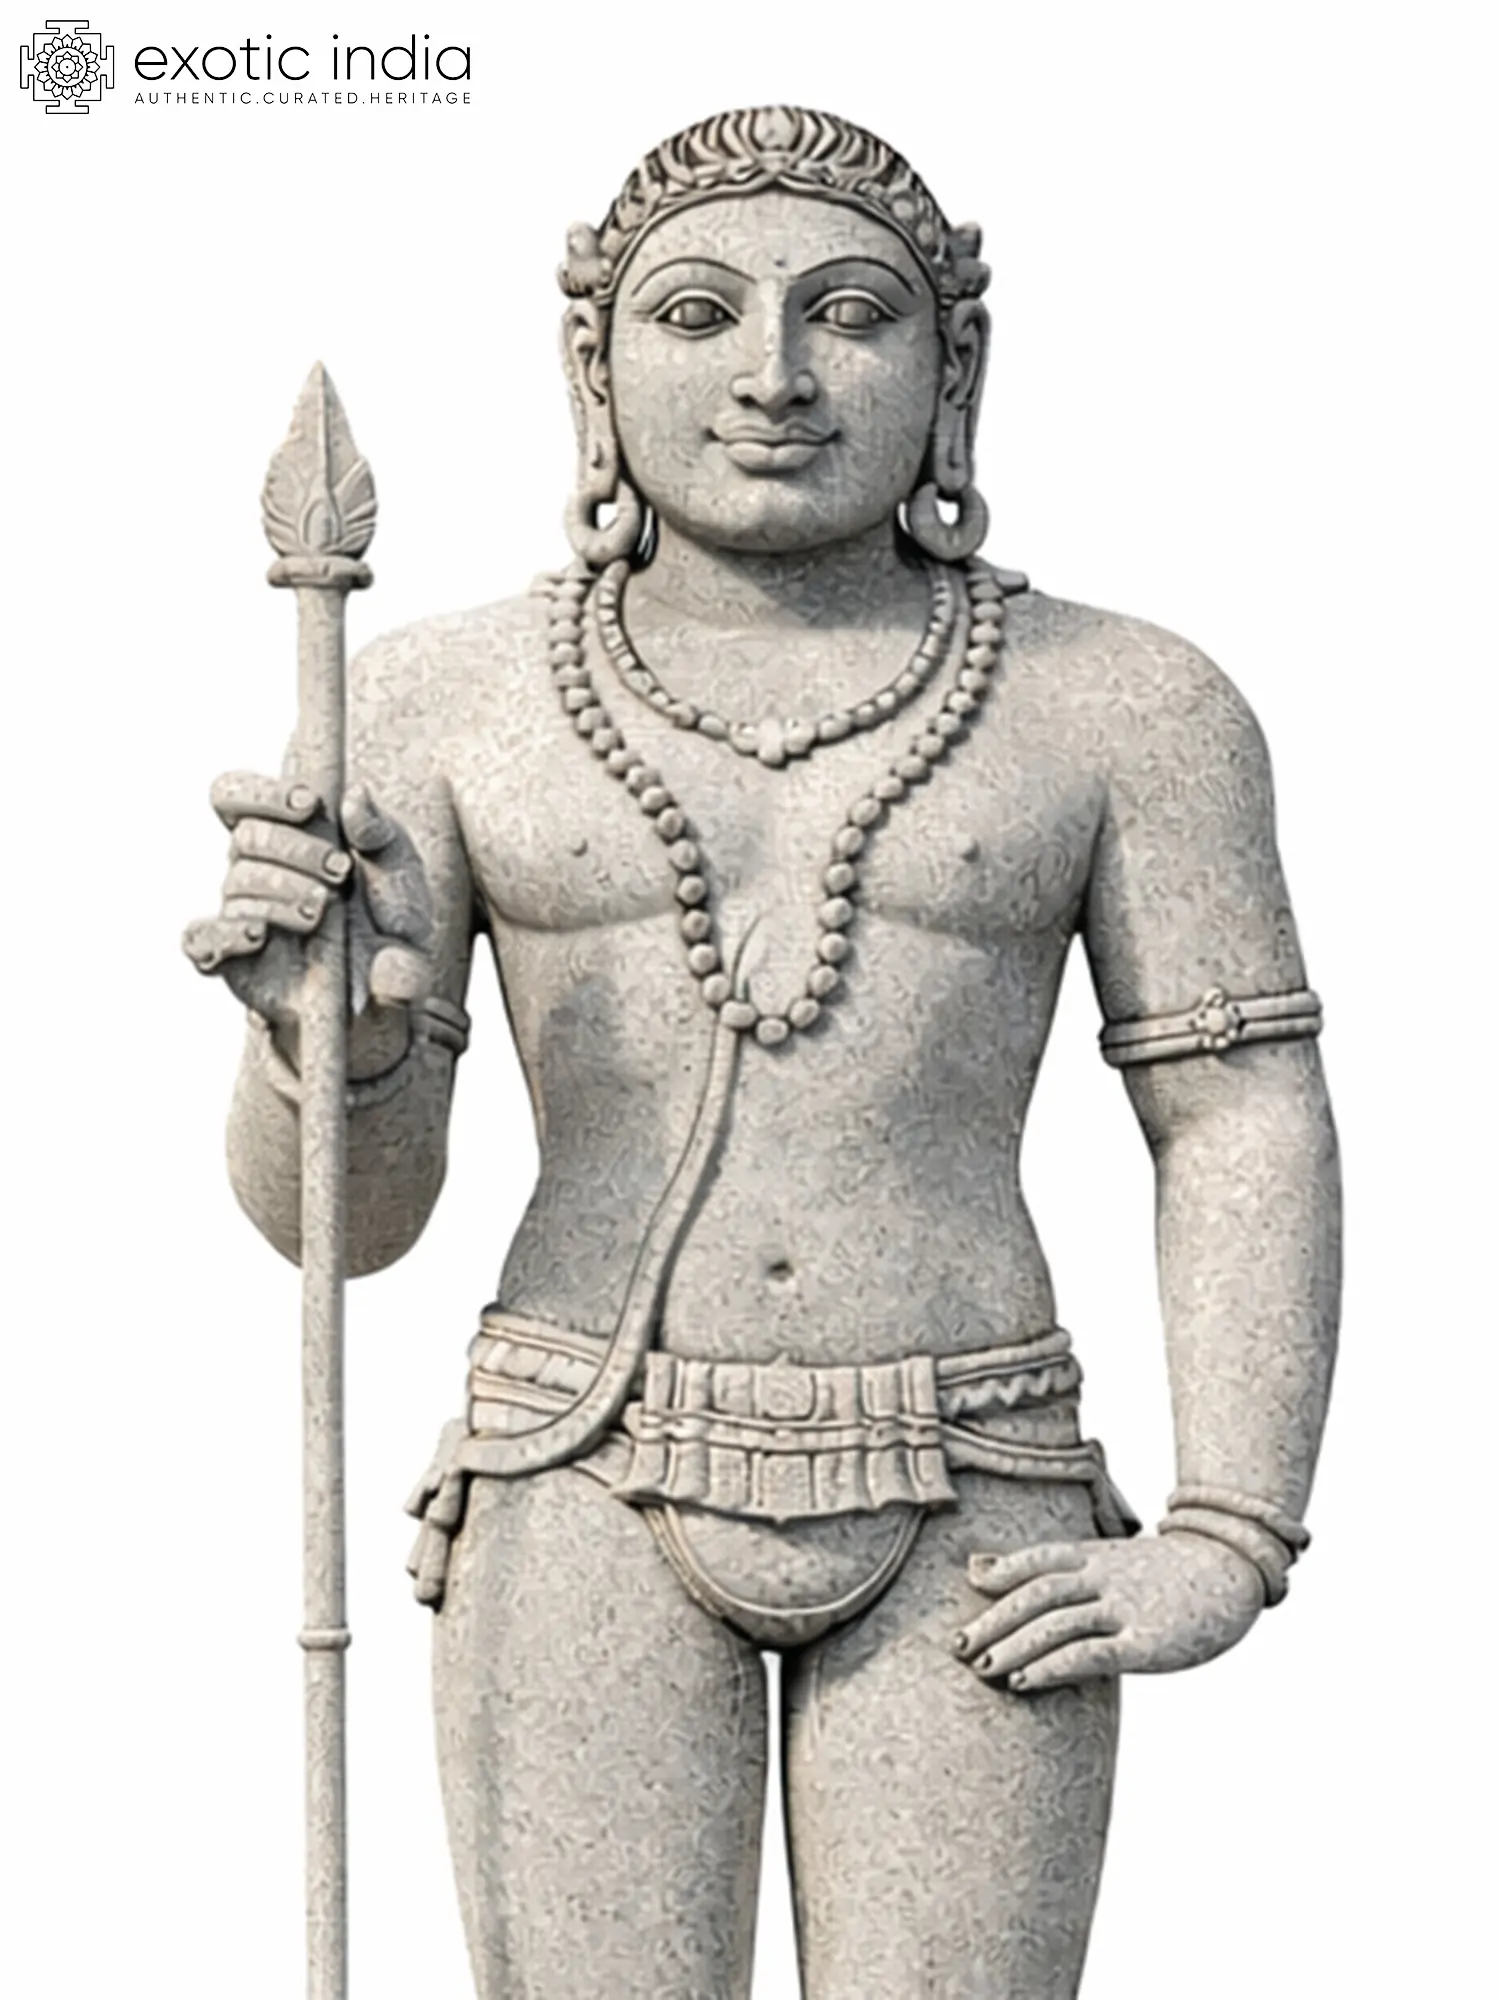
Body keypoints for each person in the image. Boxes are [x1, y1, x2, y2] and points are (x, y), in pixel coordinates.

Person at [187, 106, 1340, 2000]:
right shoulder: (440, 704)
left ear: (957, 371)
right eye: (700, 313)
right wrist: (331, 1049)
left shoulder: (1127, 708)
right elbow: (339, 1229)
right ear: (593, 371)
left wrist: (1230, 1525)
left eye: (854, 315)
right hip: (577, 1458)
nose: (777, 376)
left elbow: (1236, 1119)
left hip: (977, 1473)